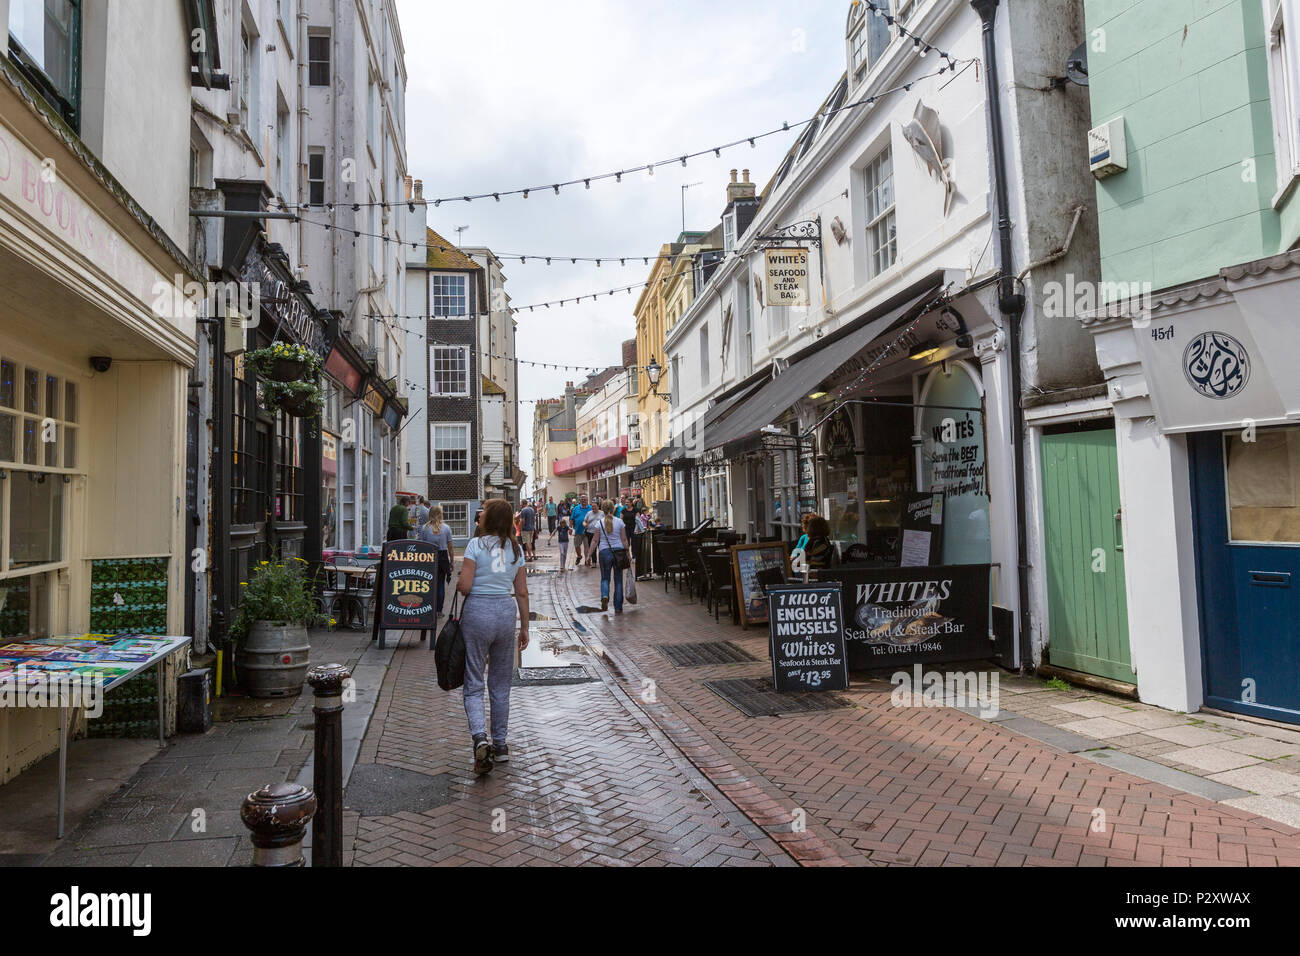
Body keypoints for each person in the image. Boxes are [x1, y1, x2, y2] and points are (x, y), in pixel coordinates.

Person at [455, 498, 529, 775]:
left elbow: (464, 585)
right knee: (500, 683)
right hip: (505, 612)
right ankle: (500, 745)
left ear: (490, 517)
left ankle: (479, 738)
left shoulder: (475, 545)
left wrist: (465, 584)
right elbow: (521, 591)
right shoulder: (515, 548)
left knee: (474, 681)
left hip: (478, 612)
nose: (481, 513)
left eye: (484, 510)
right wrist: (525, 627)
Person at [418, 505, 456, 616]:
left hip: (428, 557)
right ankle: (439, 610)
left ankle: (428, 609)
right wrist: (452, 561)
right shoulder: (446, 528)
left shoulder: (424, 528)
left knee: (428, 584)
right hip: (443, 557)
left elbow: (421, 546)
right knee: (440, 584)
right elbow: (450, 547)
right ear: (440, 514)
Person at [593, 499, 629, 613]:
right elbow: (624, 539)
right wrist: (628, 553)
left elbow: (595, 540)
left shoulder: (599, 523)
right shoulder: (619, 522)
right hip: (618, 552)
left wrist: (589, 555)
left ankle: (605, 595)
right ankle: (618, 607)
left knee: (605, 578)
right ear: (613, 509)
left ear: (602, 509)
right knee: (618, 580)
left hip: (604, 552)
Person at [570, 496, 590, 568]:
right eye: (582, 499)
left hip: (587, 531)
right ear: (580, 500)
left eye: (585, 499)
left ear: (587, 500)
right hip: (577, 530)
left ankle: (587, 560)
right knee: (576, 545)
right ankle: (579, 556)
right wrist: (570, 528)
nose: (583, 501)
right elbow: (572, 519)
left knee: (586, 547)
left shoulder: (590, 508)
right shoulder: (576, 508)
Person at [583, 500, 604, 566]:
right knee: (592, 547)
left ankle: (602, 561)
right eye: (592, 506)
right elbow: (584, 521)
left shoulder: (602, 513)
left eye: (594, 506)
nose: (593, 508)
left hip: (600, 533)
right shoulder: (589, 513)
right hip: (590, 533)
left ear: (598, 506)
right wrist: (585, 524)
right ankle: (594, 562)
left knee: (601, 547)